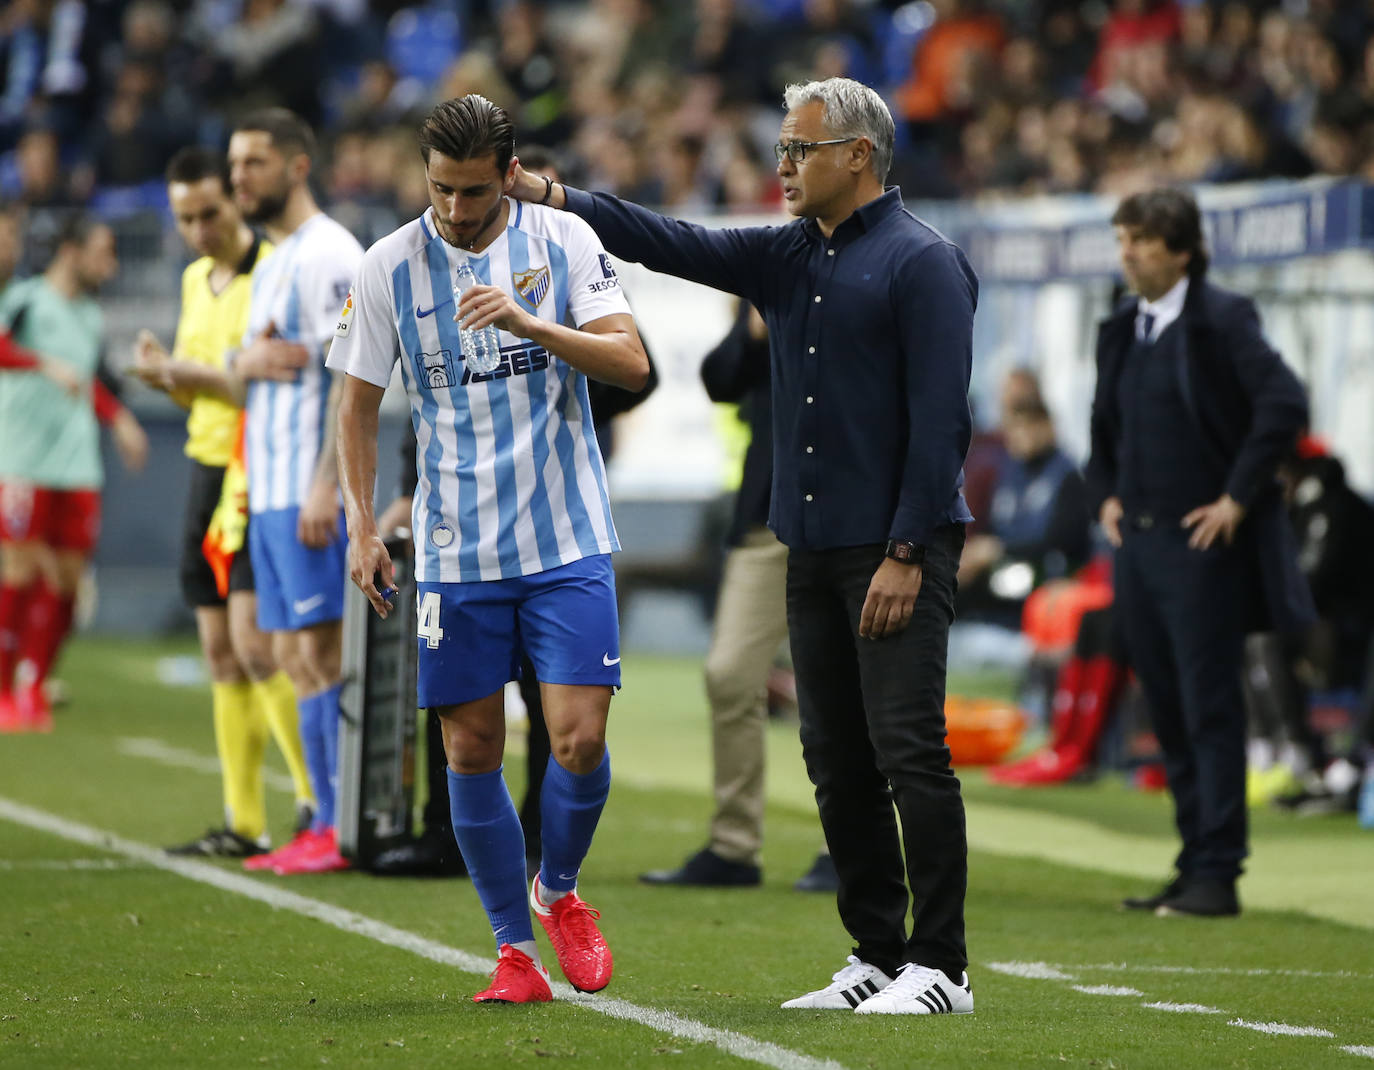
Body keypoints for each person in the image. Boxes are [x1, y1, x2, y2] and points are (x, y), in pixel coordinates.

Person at [509, 76, 978, 1016]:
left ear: (858, 155)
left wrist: (907, 551)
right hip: (805, 545)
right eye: (780, 149)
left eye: (800, 150)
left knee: (908, 752)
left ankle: (944, 966)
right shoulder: (789, 256)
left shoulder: (924, 263)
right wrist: (558, 198)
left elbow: (940, 427)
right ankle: (877, 953)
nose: (784, 167)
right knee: (834, 756)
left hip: (891, 552)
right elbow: (672, 240)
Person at [332, 95, 649, 1004]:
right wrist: (361, 521)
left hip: (566, 536)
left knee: (579, 740)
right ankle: (516, 952)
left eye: (473, 191)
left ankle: (559, 890)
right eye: (440, 189)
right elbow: (354, 403)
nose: (456, 209)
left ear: (508, 174)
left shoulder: (564, 242)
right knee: (470, 749)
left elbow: (631, 363)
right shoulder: (389, 265)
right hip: (455, 547)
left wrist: (528, 324)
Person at [1085, 187, 1313, 918]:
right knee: (1169, 708)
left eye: (1142, 241)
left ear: (1182, 250)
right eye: (1123, 239)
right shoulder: (1122, 326)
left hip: (1199, 549)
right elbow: (1103, 429)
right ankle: (1193, 859)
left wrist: (1237, 499)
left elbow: (1283, 403)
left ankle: (1219, 870)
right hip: (1140, 545)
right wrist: (1107, 495)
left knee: (1210, 707)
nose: (1128, 253)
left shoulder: (1222, 318)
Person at [129, 146, 317, 857]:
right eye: (186, 218)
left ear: (236, 202)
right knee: (218, 647)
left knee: (255, 643)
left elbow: (250, 384)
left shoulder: (271, 274)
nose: (200, 229)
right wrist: (165, 374)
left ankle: (312, 801)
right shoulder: (192, 281)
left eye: (210, 212)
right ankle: (244, 822)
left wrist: (188, 374)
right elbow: (200, 384)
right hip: (205, 465)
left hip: (255, 468)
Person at [639, 300, 835, 893]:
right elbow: (719, 380)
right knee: (729, 674)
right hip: (767, 516)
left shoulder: (865, 286)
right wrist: (754, 320)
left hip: (845, 519)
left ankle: (848, 846)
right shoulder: (769, 305)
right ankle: (733, 846)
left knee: (838, 689)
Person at [226, 109, 363, 876]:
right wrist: (243, 361)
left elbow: (353, 372)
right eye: (235, 164)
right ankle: (318, 815)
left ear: (297, 165)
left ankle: (337, 824)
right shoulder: (273, 259)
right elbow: (263, 362)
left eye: (253, 163)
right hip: (270, 490)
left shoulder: (329, 254)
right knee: (287, 652)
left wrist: (327, 484)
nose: (239, 177)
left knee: (317, 654)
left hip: (309, 493)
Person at [0, 215, 148, 732]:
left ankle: (34, 685)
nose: (109, 264)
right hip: (23, 460)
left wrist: (120, 419)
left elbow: (86, 381)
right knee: (19, 570)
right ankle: (4, 692)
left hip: (77, 464)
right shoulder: (24, 299)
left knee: (66, 581)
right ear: (71, 251)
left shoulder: (88, 315)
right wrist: (41, 364)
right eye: (102, 251)